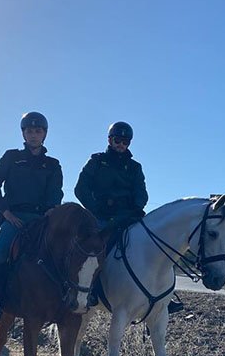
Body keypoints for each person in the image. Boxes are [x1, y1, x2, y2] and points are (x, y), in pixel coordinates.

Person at [74, 121, 183, 313]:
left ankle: (163, 297)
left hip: (128, 217)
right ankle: (89, 290)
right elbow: (80, 189)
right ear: (109, 140)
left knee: (155, 244)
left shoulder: (134, 167)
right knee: (94, 250)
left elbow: (142, 194)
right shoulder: (96, 162)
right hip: (102, 217)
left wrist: (134, 209)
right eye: (117, 140)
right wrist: (96, 209)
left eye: (125, 141)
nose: (121, 145)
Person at [0, 111, 63, 318]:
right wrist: (5, 211)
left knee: (63, 249)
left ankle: (64, 298)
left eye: (38, 131)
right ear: (23, 134)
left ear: (45, 134)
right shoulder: (11, 157)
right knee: (1, 249)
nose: (33, 135)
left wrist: (51, 210)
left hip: (41, 219)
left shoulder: (52, 164)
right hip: (14, 217)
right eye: (29, 131)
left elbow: (55, 193)